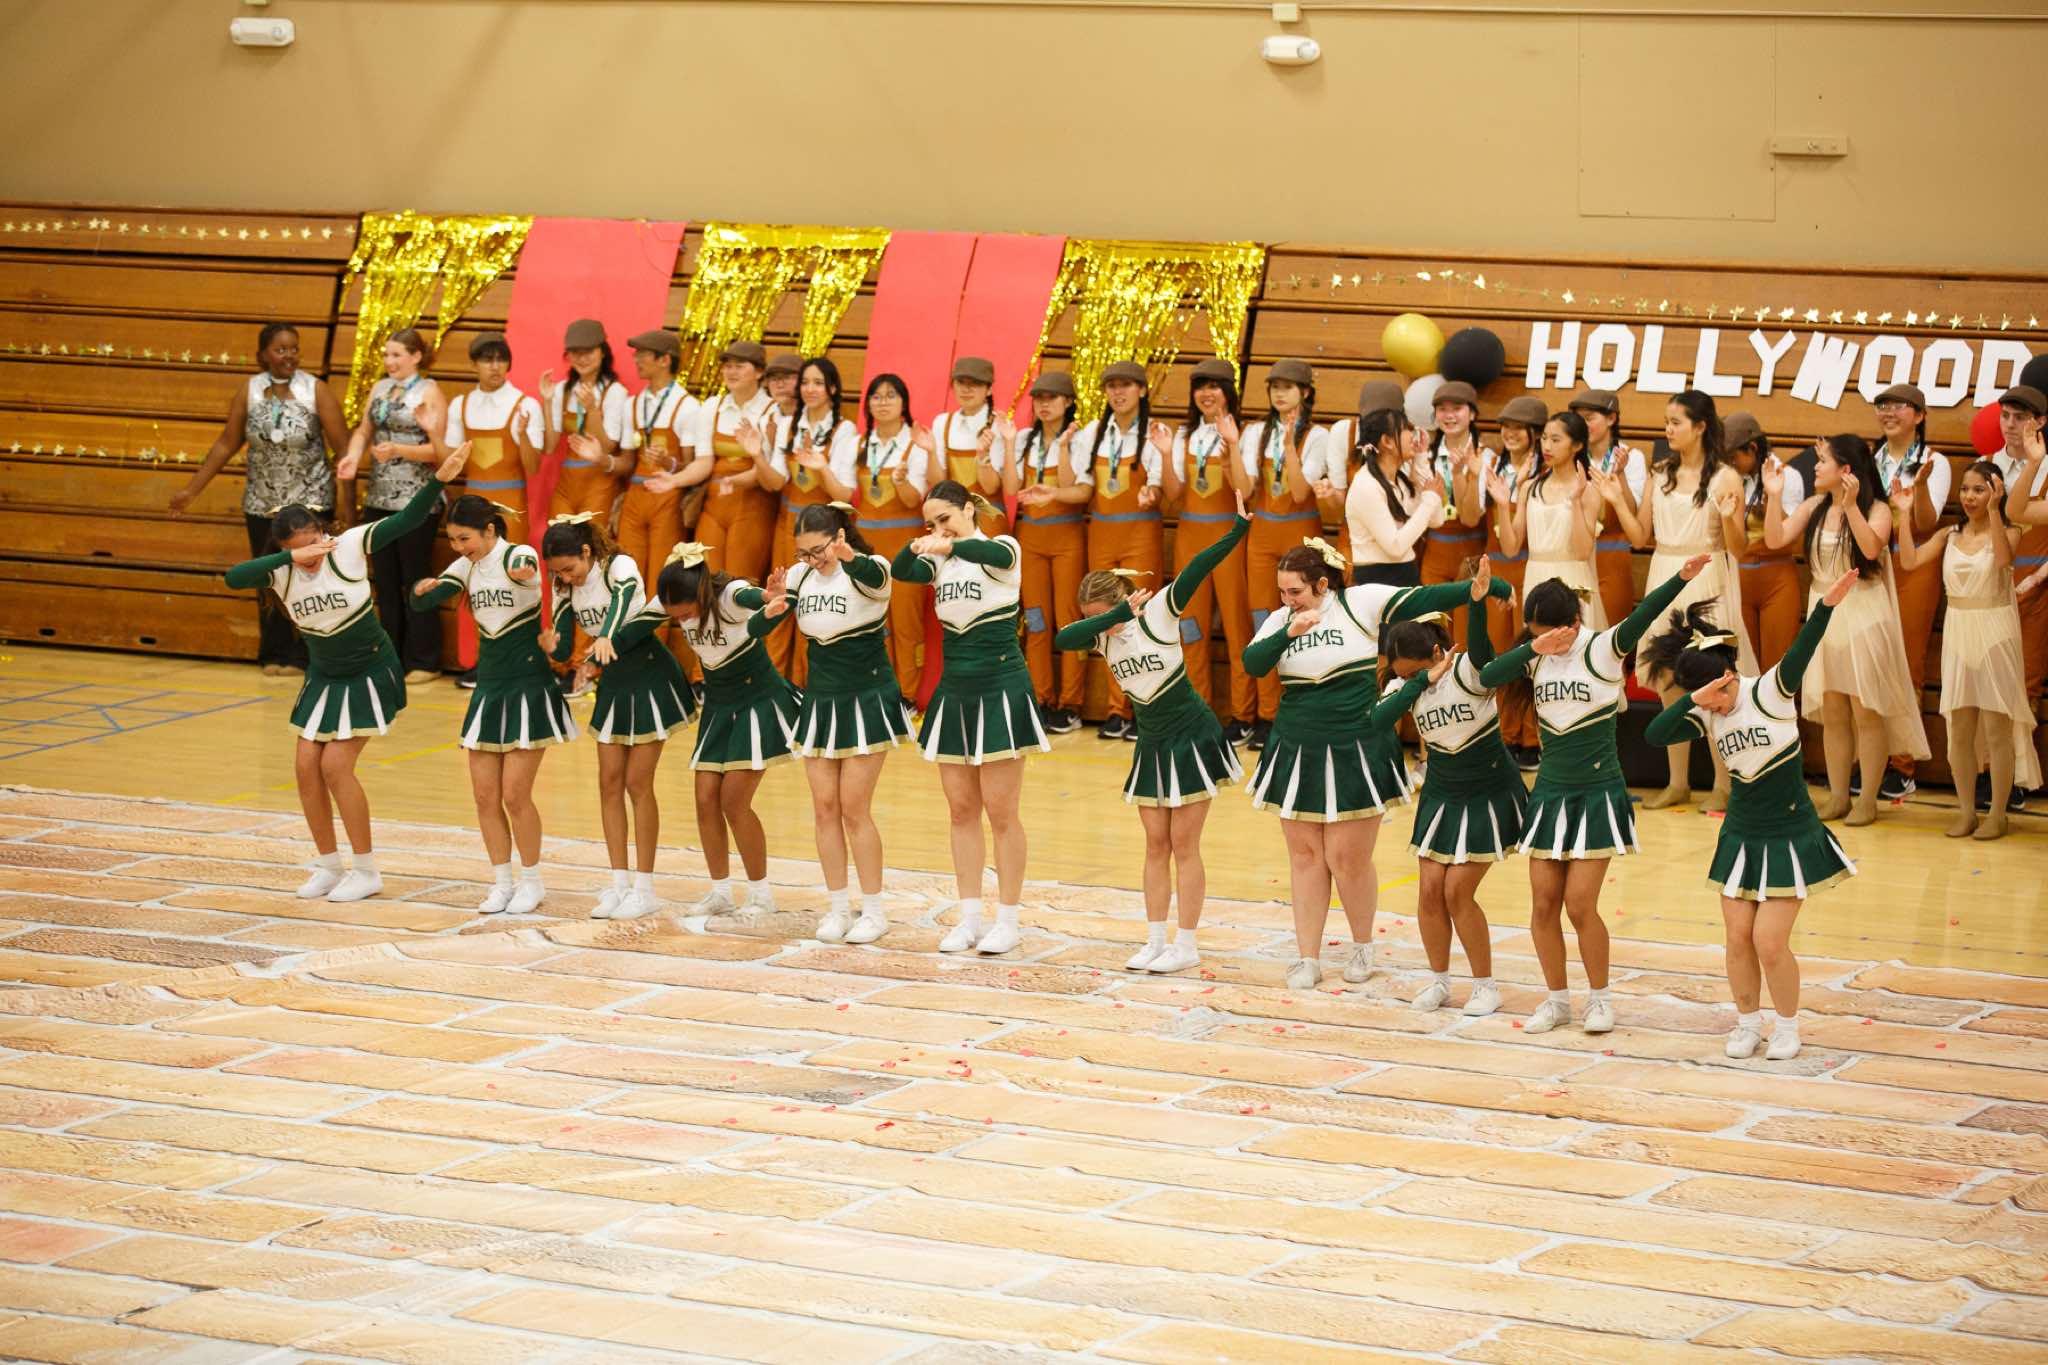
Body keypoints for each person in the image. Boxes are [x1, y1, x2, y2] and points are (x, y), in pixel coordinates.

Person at [1243, 537, 1509, 990]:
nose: (1288, 600)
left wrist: (1485, 589)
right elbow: (1253, 663)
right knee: (1305, 857)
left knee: (1346, 858)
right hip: (1298, 749)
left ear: (1321, 585)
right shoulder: (1278, 621)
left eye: (1296, 592)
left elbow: (1422, 598)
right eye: (1282, 592)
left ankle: (1362, 947)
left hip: (1357, 747)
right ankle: (1307, 956)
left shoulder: (1358, 603)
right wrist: (1288, 631)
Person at [223, 447, 464, 902]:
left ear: (324, 532)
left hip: (370, 669)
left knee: (335, 766)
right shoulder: (280, 571)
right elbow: (234, 577)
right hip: (324, 675)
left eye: (314, 542)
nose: (311, 555)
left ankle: (367, 871)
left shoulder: (349, 545)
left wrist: (438, 481)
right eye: (299, 550)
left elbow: (407, 520)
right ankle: (329, 866)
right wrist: (290, 559)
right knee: (305, 768)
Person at [1478, 557, 1707, 1033]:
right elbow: (1488, 675)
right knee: (1543, 904)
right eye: (1537, 634)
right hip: (1550, 793)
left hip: (1597, 792)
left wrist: (1681, 577)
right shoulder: (1535, 653)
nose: (1547, 642)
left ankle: (1600, 999)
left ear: (1575, 622)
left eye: (1552, 634)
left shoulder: (1603, 648)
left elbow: (1645, 613)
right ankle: (1557, 1000)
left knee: (1580, 904)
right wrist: (1533, 647)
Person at [1642, 571, 1862, 1061]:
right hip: (1741, 836)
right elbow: (1655, 735)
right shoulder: (1707, 710)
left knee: (1769, 940)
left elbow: (1805, 645)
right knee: (1738, 937)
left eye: (1716, 697)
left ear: (1727, 677)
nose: (1715, 710)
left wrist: (1826, 605)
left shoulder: (1771, 690)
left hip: (1790, 834)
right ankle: (1747, 1023)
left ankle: (1787, 1026)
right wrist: (1696, 702)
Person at [1057, 495, 1250, 975]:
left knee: (1184, 845)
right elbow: (1063, 639)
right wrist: (1109, 619)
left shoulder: (1161, 611)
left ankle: (1187, 944)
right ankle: (1155, 940)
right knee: (1155, 845)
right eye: (1089, 616)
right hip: (1151, 744)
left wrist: (1236, 531)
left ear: (1121, 599)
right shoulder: (1099, 632)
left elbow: (1197, 567)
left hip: (1192, 736)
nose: (1096, 625)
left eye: (1099, 614)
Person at [892, 480, 1047, 955]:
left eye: (945, 518)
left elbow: (991, 555)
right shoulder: (940, 559)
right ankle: (969, 918)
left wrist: (950, 542)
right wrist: (918, 544)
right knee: (961, 810)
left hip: (1000, 687)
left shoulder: (1002, 547)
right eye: (931, 523)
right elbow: (900, 570)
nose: (939, 529)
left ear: (968, 509)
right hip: (955, 690)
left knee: (1002, 812)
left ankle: (1009, 920)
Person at [1367, 557, 1521, 1017]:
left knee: (1457, 892)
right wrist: (1418, 681)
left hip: (1488, 790)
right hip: (1441, 794)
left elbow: (1482, 645)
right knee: (1429, 889)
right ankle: (1438, 981)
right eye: (1400, 673)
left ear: (1437, 652)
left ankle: (1486, 986)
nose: (1404, 678)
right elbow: (1377, 721)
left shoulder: (1468, 670)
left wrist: (1477, 601)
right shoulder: (1406, 684)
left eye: (1413, 669)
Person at [410, 495, 576, 915]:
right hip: (489, 690)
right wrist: (423, 589)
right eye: (451, 540)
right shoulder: (464, 566)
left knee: (515, 796)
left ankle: (532, 882)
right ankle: (502, 883)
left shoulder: (516, 555)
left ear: (489, 530)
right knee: (485, 797)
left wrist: (523, 573)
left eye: (464, 538)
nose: (458, 546)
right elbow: (423, 602)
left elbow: (526, 567)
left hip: (528, 687)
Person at [752, 502, 909, 944]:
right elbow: (760, 630)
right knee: (824, 808)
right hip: (821, 702)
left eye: (817, 550)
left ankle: (874, 912)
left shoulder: (870, 568)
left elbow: (874, 576)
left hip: (866, 699)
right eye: (802, 553)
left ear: (839, 538)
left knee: (854, 809)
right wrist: (769, 606)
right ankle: (838, 908)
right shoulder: (801, 576)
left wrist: (847, 558)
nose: (810, 560)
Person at [1598, 390, 1753, 812]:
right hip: (1665, 575)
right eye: (1666, 421)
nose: (1668, 429)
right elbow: (1638, 537)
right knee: (1667, 680)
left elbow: (1739, 548)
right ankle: (1677, 782)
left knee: (1713, 681)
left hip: (1707, 578)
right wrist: (1616, 499)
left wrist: (1728, 517)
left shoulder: (1725, 477)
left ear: (1700, 426)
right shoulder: (1660, 472)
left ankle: (1724, 784)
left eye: (1676, 422)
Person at [1766, 434, 1930, 825]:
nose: (1815, 466)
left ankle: (1868, 799)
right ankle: (1839, 796)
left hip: (1863, 612)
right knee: (1834, 711)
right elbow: (1775, 539)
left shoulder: (1878, 510)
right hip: (1824, 613)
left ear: (1846, 470)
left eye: (1823, 460)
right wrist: (1774, 496)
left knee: (1866, 710)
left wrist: (1851, 505)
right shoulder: (1814, 506)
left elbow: (1871, 549)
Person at [173, 323, 350, 676]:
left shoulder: (315, 389)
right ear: (263, 355)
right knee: (269, 578)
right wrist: (192, 490)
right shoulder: (250, 391)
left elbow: (344, 449)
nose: (289, 356)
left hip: (309, 502)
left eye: (294, 349)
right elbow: (227, 443)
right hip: (262, 502)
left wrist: (348, 507)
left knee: (309, 579)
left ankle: (308, 654)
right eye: (281, 350)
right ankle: (274, 651)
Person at [542, 514, 693, 919]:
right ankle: (619, 883)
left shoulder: (618, 566)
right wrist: (553, 646)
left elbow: (624, 603)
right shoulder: (563, 585)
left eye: (570, 568)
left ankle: (645, 889)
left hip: (649, 676)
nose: (566, 578)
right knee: (609, 783)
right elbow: (563, 645)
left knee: (637, 783)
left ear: (586, 551)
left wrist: (606, 635)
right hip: (613, 681)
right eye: (558, 573)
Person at [656, 541, 800, 918]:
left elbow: (755, 601)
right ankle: (720, 892)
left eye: (686, 612)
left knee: (734, 802)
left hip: (757, 701)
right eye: (676, 617)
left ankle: (761, 895)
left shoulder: (730, 596)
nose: (683, 620)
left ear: (701, 593)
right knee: (705, 798)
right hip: (719, 707)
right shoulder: (678, 603)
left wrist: (769, 598)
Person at [1895, 460, 2038, 840]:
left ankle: (1998, 814)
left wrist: (1994, 512)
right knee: (1958, 728)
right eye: (1966, 489)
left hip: (1995, 630)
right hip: (1958, 631)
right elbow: (1909, 561)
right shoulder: (1949, 534)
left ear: (1996, 492)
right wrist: (1905, 514)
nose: (1970, 497)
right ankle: (1966, 812)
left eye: (1979, 489)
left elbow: (2004, 561)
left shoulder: (2010, 530)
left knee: (1996, 730)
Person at [336, 328, 447, 685]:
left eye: (397, 355)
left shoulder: (429, 391)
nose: (389, 361)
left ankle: (424, 659)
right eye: (386, 355)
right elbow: (364, 431)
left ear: (416, 357)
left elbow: (439, 451)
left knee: (415, 578)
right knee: (384, 580)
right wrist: (353, 457)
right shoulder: (381, 388)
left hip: (417, 499)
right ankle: (390, 656)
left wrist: (400, 450)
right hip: (380, 497)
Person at [1074, 361, 1168, 740]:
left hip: (1140, 533)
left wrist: (1152, 493)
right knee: (1107, 622)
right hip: (1101, 533)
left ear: (1142, 390)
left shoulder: (1155, 433)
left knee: (1141, 621)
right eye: (1111, 386)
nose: (1118, 392)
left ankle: (1146, 707)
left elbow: (1160, 486)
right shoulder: (1092, 433)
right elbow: (1083, 487)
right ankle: (1117, 709)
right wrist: (1053, 492)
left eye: (1126, 385)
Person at [1239, 359, 1330, 751]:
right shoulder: (1256, 432)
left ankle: (1297, 713)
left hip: (1300, 533)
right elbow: (1245, 488)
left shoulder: (1319, 436)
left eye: (1288, 386)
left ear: (1305, 392)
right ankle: (1265, 714)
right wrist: (1230, 447)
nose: (1279, 393)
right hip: (1261, 536)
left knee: (1304, 623)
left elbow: (1299, 491)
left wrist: (1291, 444)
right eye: (1274, 386)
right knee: (1263, 622)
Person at [1164, 359, 1255, 742]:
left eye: (1214, 386)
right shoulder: (1183, 435)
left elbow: (1245, 491)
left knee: (1236, 627)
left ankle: (1243, 715)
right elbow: (1172, 495)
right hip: (1189, 538)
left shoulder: (1246, 433)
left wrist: (1231, 445)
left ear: (1228, 392)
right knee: (1190, 628)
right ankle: (1197, 710)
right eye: (1200, 386)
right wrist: (1165, 454)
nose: (1206, 393)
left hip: (1228, 537)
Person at [758, 357, 859, 687]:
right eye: (805, 382)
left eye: (818, 382)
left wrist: (821, 467)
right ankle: (774, 683)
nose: (810, 389)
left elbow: (844, 492)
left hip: (822, 529)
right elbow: (775, 482)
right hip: (788, 524)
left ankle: (809, 684)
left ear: (833, 388)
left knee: (814, 603)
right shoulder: (791, 424)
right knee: (781, 597)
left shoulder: (844, 430)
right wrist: (757, 453)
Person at [1870, 382, 1948, 802]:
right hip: (1874, 560)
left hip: (1914, 562)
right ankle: (1872, 759)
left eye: (1899, 406)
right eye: (1883, 404)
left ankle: (1902, 767)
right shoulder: (1871, 458)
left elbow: (1927, 523)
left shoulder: (1934, 460)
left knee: (1908, 663)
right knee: (1872, 661)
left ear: (1919, 415)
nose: (1889, 412)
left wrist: (1918, 490)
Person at [1008, 371, 1089, 734]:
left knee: (1069, 621)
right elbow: (1012, 488)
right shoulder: (1025, 439)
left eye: (1052, 398)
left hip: (1067, 535)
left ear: (1068, 402)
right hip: (1031, 537)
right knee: (1036, 621)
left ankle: (1071, 703)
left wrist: (1064, 451)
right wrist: (1005, 446)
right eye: (1038, 398)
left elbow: (1079, 490)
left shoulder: (1081, 438)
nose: (1044, 404)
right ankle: (1040, 698)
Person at [847, 373, 933, 700]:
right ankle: (876, 690)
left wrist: (900, 482)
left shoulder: (915, 444)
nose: (883, 402)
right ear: (868, 404)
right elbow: (844, 493)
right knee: (872, 622)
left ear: (904, 404)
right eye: (876, 396)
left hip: (905, 547)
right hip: (867, 547)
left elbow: (914, 501)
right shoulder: (858, 444)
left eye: (891, 395)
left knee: (907, 623)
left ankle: (906, 695)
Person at [1473, 395, 1547, 768]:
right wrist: (1466, 475)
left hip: (1530, 567)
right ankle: (1505, 734)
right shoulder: (1490, 466)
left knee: (1530, 655)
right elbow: (1471, 516)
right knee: (1500, 656)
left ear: (1536, 433)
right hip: (1496, 568)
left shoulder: (1545, 472)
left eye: (1519, 427)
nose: (1511, 433)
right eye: (1506, 426)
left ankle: (1532, 738)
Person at [1495, 410, 1606, 630]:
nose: (1547, 446)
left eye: (1556, 440)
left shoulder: (1588, 490)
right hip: (1535, 577)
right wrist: (1503, 505)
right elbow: (1510, 548)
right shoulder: (1529, 487)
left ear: (1577, 445)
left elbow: (1583, 552)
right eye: (1544, 438)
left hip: (1572, 580)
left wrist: (1575, 500)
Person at [614, 329, 701, 609]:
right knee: (626, 573)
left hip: (668, 500)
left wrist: (669, 464)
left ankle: (657, 636)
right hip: (635, 497)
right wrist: (603, 460)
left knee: (662, 576)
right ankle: (624, 632)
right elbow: (627, 462)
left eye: (644, 355)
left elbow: (692, 467)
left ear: (664, 360)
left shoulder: (687, 406)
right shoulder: (632, 405)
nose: (637, 360)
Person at [1994, 388, 2048, 805]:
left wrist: (2037, 578)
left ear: (2040, 422)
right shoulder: (1990, 463)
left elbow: (2019, 514)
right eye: (2006, 416)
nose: (2010, 424)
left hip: (2037, 581)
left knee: (2026, 681)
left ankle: (2017, 775)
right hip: (1994, 581)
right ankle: (1992, 773)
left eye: (2020, 417)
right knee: (1989, 680)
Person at [692, 340, 781, 584]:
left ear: (759, 372)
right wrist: (673, 479)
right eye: (727, 366)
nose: (731, 372)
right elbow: (703, 463)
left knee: (740, 583)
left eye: (739, 366)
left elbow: (766, 472)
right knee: (706, 581)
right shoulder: (712, 406)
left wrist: (734, 480)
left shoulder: (773, 411)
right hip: (713, 505)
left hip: (753, 507)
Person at [1723, 412, 1805, 671]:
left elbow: (1790, 540)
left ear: (1753, 448)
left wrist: (1773, 497)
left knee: (1777, 665)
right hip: (1738, 578)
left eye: (1733, 456)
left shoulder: (1788, 476)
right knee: (1742, 667)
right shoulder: (1730, 478)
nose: (1730, 463)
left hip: (1777, 579)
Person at [1568, 388, 1647, 629]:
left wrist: (1620, 474)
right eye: (1578, 419)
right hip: (1576, 555)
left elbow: (1632, 515)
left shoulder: (1632, 456)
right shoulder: (1570, 456)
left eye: (1589, 418)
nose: (1582, 425)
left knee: (1612, 633)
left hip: (1613, 556)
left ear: (1611, 418)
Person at [538, 318, 630, 524]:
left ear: (602, 352)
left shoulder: (615, 392)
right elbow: (550, 447)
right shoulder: (562, 390)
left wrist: (592, 410)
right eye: (575, 352)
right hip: (567, 484)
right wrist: (548, 401)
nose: (582, 358)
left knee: (592, 541)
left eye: (588, 352)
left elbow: (607, 446)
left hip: (600, 483)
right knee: (558, 539)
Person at [1341, 408, 1442, 586]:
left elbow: (1436, 520)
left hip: (1406, 572)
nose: (1412, 435)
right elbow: (1395, 547)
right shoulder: (1366, 485)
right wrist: (1430, 500)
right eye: (1406, 429)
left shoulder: (1400, 481)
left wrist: (1421, 460)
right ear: (1387, 441)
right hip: (1378, 580)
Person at [925, 356, 1009, 538]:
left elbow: (990, 488)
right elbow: (937, 483)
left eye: (975, 383)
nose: (966, 389)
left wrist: (983, 455)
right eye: (961, 382)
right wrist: (930, 453)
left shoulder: (999, 425)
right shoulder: (942, 422)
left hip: (989, 523)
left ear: (989, 389)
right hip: (951, 524)